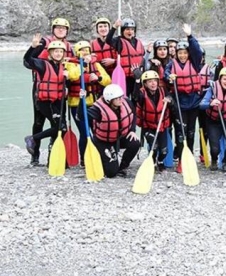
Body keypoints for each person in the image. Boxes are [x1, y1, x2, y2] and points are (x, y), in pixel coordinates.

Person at [24, 18, 74, 166]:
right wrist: (33, 47)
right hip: (42, 88)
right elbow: (28, 61)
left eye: (63, 28)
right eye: (57, 27)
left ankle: (54, 156)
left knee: (58, 123)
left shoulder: (68, 47)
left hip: (59, 91)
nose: (60, 30)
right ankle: (35, 155)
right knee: (39, 122)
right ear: (53, 29)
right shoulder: (45, 44)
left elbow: (74, 67)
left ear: (67, 31)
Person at [164, 24, 203, 172]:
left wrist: (190, 36)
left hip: (193, 102)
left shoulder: (195, 62)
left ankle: (189, 157)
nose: (182, 55)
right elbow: (165, 75)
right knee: (180, 133)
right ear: (176, 54)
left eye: (185, 53)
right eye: (180, 53)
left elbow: (197, 51)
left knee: (191, 133)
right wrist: (169, 77)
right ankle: (181, 159)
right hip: (179, 103)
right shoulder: (171, 64)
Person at [66, 41, 112, 165]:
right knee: (85, 132)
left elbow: (108, 81)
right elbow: (72, 76)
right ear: (77, 52)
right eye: (82, 50)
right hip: (77, 104)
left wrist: (99, 78)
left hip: (94, 103)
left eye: (87, 49)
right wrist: (82, 64)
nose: (85, 52)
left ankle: (98, 155)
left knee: (96, 131)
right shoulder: (71, 64)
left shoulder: (96, 65)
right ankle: (83, 159)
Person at [81, 84, 140, 178]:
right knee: (111, 173)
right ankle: (103, 158)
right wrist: (82, 100)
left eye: (121, 96)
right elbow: (81, 117)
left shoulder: (126, 102)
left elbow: (133, 115)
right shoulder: (98, 110)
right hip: (104, 141)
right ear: (110, 100)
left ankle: (123, 167)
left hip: (120, 137)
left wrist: (132, 130)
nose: (121, 99)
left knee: (135, 143)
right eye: (117, 98)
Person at [200, 67, 226, 171]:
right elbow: (202, 105)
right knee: (215, 148)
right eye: (224, 79)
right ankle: (214, 160)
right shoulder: (212, 89)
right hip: (213, 121)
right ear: (220, 79)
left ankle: (225, 161)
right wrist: (210, 103)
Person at [133, 71, 173, 171]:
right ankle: (153, 161)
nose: (153, 83)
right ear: (145, 84)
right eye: (150, 81)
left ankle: (159, 161)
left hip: (162, 126)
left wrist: (170, 101)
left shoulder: (163, 91)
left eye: (155, 81)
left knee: (164, 151)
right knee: (154, 147)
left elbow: (172, 102)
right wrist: (137, 81)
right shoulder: (142, 93)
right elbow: (135, 97)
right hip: (148, 126)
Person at [107, 18, 145, 97]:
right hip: (125, 77)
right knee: (125, 98)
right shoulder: (119, 41)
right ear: (122, 30)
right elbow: (108, 40)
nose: (130, 32)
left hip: (137, 77)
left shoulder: (138, 42)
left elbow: (142, 57)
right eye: (127, 29)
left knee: (136, 99)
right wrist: (114, 27)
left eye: (132, 29)